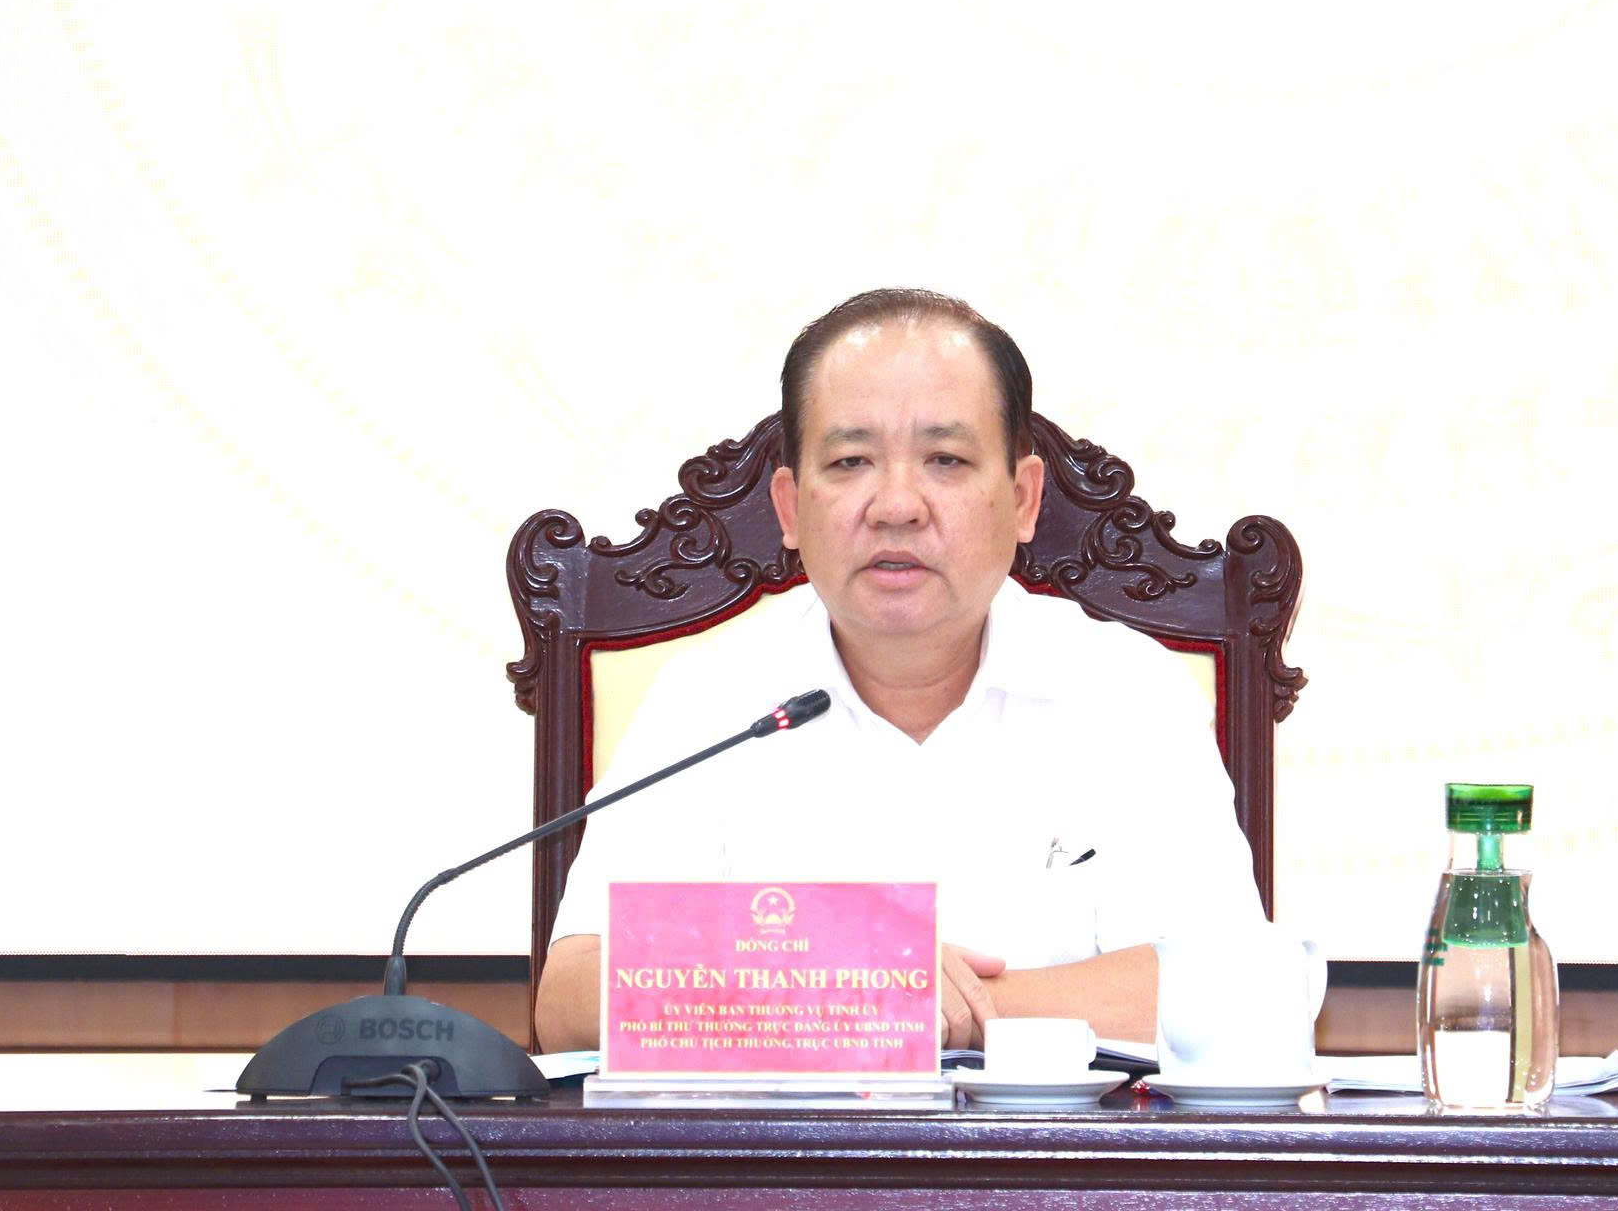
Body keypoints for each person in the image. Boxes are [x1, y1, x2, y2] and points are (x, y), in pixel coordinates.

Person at [529, 288, 1272, 1052]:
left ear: (1023, 499)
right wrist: (862, 985)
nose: (896, 506)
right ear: (789, 508)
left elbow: (1231, 991)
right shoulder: (710, 700)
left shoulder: (1128, 692)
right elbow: (573, 999)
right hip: (786, 1135)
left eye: (945, 459)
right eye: (851, 461)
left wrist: (907, 1000)